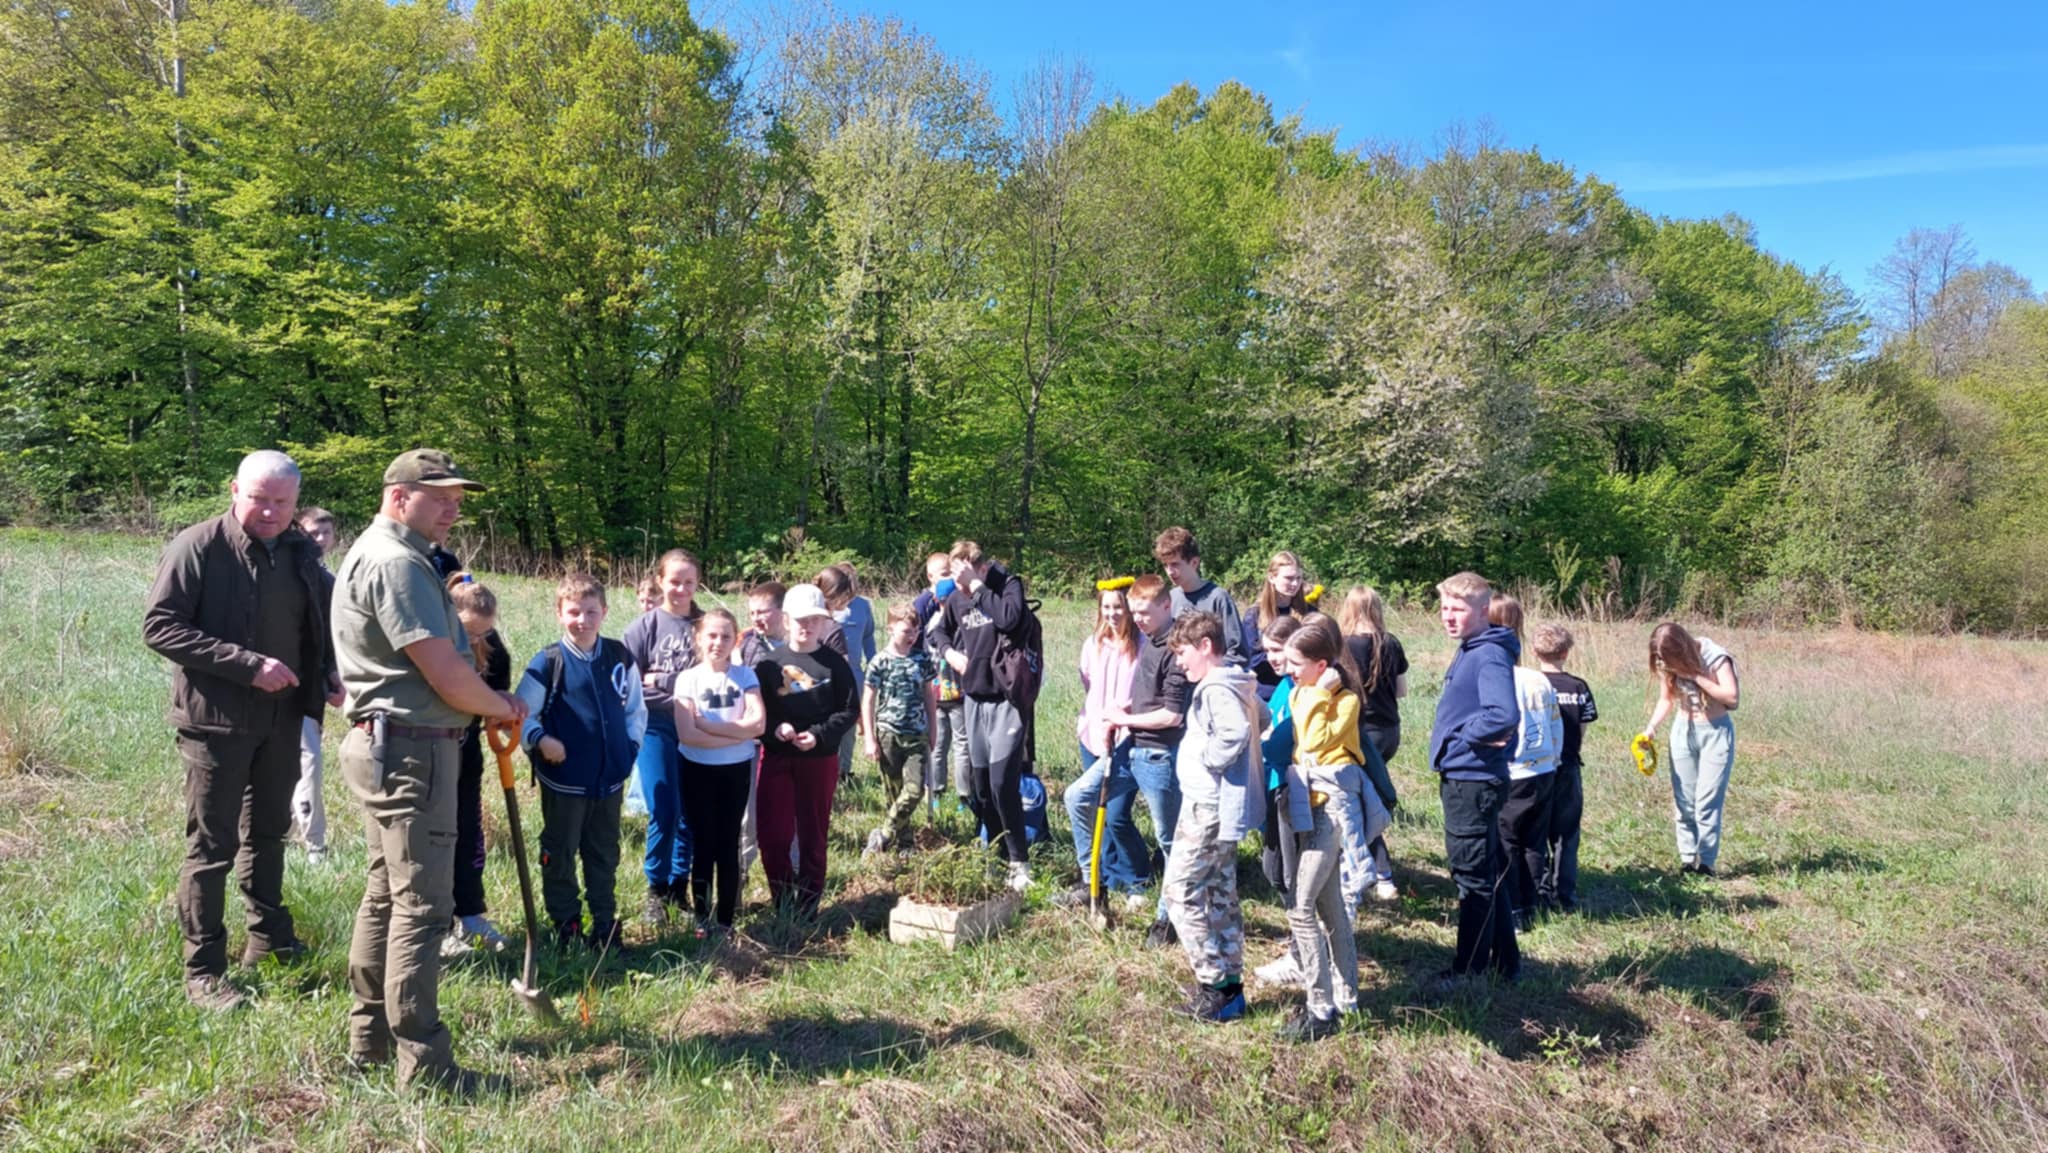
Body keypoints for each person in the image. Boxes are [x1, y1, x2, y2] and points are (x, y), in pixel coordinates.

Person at [331, 448, 524, 1094]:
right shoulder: (397, 563)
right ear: (398, 496)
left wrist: (486, 702)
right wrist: (499, 705)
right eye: (439, 497)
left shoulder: (394, 555)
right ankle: (426, 1065)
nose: (452, 510)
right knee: (422, 907)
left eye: (457, 500)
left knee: (387, 895)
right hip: (413, 751)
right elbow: (443, 671)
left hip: (393, 744)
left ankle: (370, 1041)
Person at [143, 450, 337, 1011]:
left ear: (296, 503)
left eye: (282, 502)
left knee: (270, 833)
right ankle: (203, 970)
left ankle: (269, 939)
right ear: (234, 490)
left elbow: (319, 622)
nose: (270, 511)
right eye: (259, 499)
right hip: (215, 722)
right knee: (212, 846)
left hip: (283, 719)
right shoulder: (198, 546)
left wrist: (329, 672)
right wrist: (247, 665)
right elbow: (160, 626)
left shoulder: (301, 553)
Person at [515, 573, 648, 951]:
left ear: (604, 612)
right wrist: (541, 740)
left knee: (604, 852)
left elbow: (635, 711)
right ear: (559, 613)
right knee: (559, 852)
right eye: (574, 612)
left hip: (609, 779)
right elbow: (521, 715)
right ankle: (566, 924)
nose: (582, 620)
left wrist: (628, 750)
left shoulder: (619, 656)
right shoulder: (548, 663)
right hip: (565, 780)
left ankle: (605, 923)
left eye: (591, 612)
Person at [1277, 614, 1383, 1041]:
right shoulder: (1299, 694)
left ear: (1322, 666)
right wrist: (1312, 694)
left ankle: (1320, 1009)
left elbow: (1316, 741)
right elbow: (1305, 741)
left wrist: (1322, 695)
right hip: (1311, 805)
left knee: (1300, 907)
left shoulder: (1347, 702)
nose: (1288, 670)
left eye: (1295, 663)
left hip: (1335, 812)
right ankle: (1347, 1000)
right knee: (1330, 906)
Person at [1162, 610, 1266, 1023]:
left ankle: (1212, 985)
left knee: (1179, 892)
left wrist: (1208, 758)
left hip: (1206, 807)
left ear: (1206, 646)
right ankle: (1231, 989)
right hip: (1220, 807)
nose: (1179, 662)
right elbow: (1262, 717)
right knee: (1219, 893)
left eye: (1183, 653)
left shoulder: (1216, 688)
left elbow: (1236, 732)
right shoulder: (1237, 681)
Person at [1426, 571, 1521, 988]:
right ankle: (1506, 963)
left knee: (1472, 876)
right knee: (1486, 868)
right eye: (1444, 608)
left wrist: (1463, 735)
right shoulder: (1473, 647)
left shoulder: (1488, 654)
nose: (1448, 616)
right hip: (1469, 775)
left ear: (1484, 611)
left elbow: (1504, 713)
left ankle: (1469, 970)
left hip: (1474, 779)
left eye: (1458, 609)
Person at [929, 540, 1038, 892]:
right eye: (956, 580)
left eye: (964, 578)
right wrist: (950, 653)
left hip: (1008, 698)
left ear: (982, 568)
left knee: (1003, 782)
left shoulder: (1007, 586)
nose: (959, 588)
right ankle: (996, 854)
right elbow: (938, 630)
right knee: (982, 787)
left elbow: (1010, 619)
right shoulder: (956, 598)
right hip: (974, 698)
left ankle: (1020, 862)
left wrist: (976, 587)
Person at [753, 583, 858, 914]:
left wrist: (819, 735)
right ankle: (783, 900)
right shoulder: (769, 665)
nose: (807, 625)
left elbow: (848, 710)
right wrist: (775, 729)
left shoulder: (834, 665)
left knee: (813, 834)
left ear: (824, 622)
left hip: (819, 759)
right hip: (777, 758)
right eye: (800, 619)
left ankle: (809, 905)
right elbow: (758, 712)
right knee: (774, 834)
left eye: (815, 619)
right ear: (786, 619)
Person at [1104, 574, 1190, 945]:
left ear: (1166, 606)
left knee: (1170, 841)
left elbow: (1172, 715)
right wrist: (1122, 713)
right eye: (1134, 612)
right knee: (1078, 798)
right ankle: (1094, 887)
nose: (1136, 619)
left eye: (1144, 612)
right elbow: (1147, 699)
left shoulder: (1175, 648)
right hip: (1132, 747)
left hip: (1159, 753)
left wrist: (1125, 719)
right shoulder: (1149, 641)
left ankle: (1167, 920)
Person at [622, 549, 704, 924]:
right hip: (655, 726)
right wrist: (674, 693)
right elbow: (630, 687)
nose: (681, 589)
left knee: (690, 811)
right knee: (664, 808)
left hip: (698, 726)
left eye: (689, 582)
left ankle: (678, 887)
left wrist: (665, 681)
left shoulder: (705, 625)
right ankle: (656, 888)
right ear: (660, 581)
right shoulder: (643, 628)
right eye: (674, 581)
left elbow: (713, 680)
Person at [672, 609, 765, 935]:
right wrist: (738, 733)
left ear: (735, 639)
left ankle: (725, 921)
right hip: (697, 769)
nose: (718, 642)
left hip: (735, 770)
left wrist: (707, 725)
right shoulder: (688, 679)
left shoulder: (745, 676)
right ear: (699, 638)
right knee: (704, 843)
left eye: (726, 636)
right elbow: (688, 735)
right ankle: (702, 917)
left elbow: (759, 724)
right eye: (712, 635)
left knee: (728, 844)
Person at [1059, 578, 1145, 903]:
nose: (1112, 614)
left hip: (1126, 739)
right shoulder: (1092, 644)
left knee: (1117, 814)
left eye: (1118, 607)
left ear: (1129, 609)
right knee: (1097, 810)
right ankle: (1104, 878)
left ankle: (1137, 879)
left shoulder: (1143, 646)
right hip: (1093, 735)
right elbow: (1088, 683)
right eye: (1106, 607)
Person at [443, 573, 513, 956]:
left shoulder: (494, 649)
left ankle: (470, 915)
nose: (476, 641)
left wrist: (504, 710)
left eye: (483, 633)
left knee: (468, 830)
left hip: (467, 750)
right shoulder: (433, 645)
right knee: (437, 836)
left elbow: (497, 701)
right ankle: (439, 925)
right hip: (432, 750)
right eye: (469, 632)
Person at [1641, 623, 1739, 876]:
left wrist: (1695, 676)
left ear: (1682, 648)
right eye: (1660, 659)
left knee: (1707, 801)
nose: (1664, 663)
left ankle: (1706, 863)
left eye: (1668, 658)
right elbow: (1666, 699)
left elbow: (1732, 698)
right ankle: (1687, 860)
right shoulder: (1667, 663)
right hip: (1683, 732)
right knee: (1684, 800)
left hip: (1715, 733)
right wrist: (1651, 728)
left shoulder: (1716, 657)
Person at [1488, 594, 1561, 933]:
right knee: (1534, 841)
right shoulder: (1538, 679)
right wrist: (1553, 759)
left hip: (1513, 771)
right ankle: (1533, 903)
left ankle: (1514, 910)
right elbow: (1555, 726)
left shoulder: (1499, 680)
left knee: (1507, 843)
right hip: (1543, 770)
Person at [1339, 585, 1408, 900]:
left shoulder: (1343, 645)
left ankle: (1382, 875)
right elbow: (1401, 691)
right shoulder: (1391, 643)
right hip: (1390, 730)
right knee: (1371, 797)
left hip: (1361, 732)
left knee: (1362, 804)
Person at [861, 603, 937, 855]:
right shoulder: (880, 661)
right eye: (906, 631)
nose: (911, 636)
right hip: (888, 733)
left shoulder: (922, 659)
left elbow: (929, 695)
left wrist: (933, 728)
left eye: (915, 631)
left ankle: (884, 834)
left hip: (916, 733)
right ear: (890, 629)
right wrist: (869, 738)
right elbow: (868, 699)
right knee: (894, 793)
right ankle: (905, 843)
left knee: (914, 790)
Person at [1534, 624, 1598, 912]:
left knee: (1535, 829)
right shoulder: (1578, 687)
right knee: (1566, 834)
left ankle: (1538, 889)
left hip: (1537, 768)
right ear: (1566, 653)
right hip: (1568, 765)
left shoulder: (1530, 684)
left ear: (1535, 652)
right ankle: (1565, 895)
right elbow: (1582, 726)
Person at [290, 505, 341, 864]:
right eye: (312, 533)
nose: (320, 540)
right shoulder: (290, 575)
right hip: (289, 684)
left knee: (304, 757)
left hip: (312, 685)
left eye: (326, 533)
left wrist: (333, 674)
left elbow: (331, 637)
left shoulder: (328, 580)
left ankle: (294, 834)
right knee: (307, 759)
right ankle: (314, 844)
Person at [735, 580, 787, 873]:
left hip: (786, 739)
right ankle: (740, 872)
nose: (756, 618)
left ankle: (790, 877)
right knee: (748, 814)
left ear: (782, 611)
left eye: (763, 612)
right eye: (752, 612)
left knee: (786, 810)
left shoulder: (796, 644)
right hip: (753, 740)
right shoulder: (745, 644)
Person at [912, 554, 970, 809]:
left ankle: (936, 791)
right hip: (959, 692)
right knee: (961, 745)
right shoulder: (962, 623)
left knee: (936, 743)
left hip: (934, 692)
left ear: (936, 600)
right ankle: (964, 795)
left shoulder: (930, 625)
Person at [1155, 526, 1247, 666]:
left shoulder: (1218, 598)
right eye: (1165, 565)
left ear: (1194, 562)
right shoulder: (1170, 599)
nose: (1170, 572)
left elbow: (1238, 653)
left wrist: (1212, 672)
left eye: (1175, 564)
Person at [819, 564, 877, 777]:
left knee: (850, 722)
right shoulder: (824, 608)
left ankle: (844, 770)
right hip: (828, 673)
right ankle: (827, 768)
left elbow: (868, 636)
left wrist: (872, 664)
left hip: (854, 672)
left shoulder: (863, 606)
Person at [1244, 550, 1316, 693]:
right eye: (1289, 578)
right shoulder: (1255, 615)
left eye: (1298, 578)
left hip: (1302, 689)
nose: (1295, 583)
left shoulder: (1309, 613)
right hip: (1266, 691)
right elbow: (1252, 659)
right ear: (1272, 577)